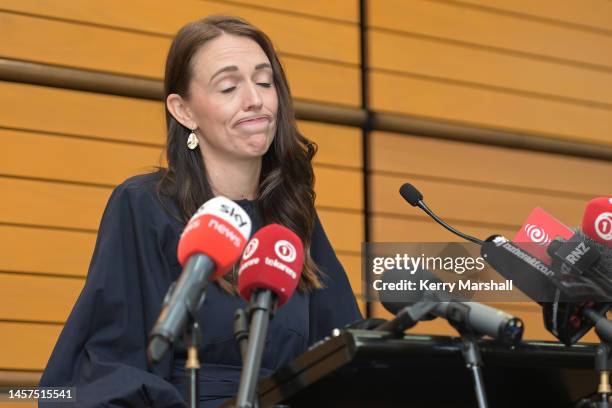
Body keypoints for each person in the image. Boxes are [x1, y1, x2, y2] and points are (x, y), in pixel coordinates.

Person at [39, 15, 362, 407]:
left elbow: (344, 349)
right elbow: (112, 364)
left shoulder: (292, 217)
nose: (255, 99)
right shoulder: (144, 206)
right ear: (183, 111)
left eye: (264, 81)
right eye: (228, 87)